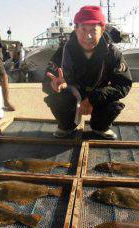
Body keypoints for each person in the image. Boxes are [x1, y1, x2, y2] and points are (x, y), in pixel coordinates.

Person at [42, 6, 132, 139]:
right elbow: (46, 81)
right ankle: (66, 126)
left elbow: (124, 84)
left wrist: (94, 98)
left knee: (112, 102)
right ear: (76, 30)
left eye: (93, 30)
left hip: (98, 95)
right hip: (72, 93)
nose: (88, 36)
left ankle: (100, 127)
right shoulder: (62, 52)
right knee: (56, 98)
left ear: (101, 30)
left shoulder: (113, 54)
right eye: (83, 29)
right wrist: (53, 85)